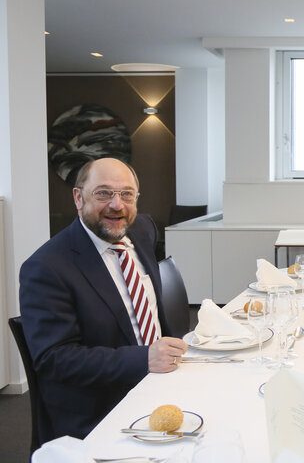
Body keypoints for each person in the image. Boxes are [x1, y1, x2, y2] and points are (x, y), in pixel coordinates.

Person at [19, 158, 188, 444]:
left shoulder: (141, 229)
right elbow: (54, 359)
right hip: (100, 411)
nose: (117, 205)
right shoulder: (47, 267)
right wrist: (144, 358)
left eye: (126, 194)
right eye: (103, 193)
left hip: (162, 385)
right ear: (78, 197)